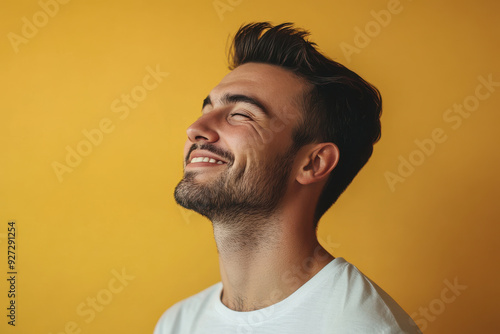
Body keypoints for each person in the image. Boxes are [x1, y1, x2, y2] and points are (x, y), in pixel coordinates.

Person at [154, 22, 421, 333]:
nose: (195, 128)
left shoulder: (360, 326)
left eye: (241, 114)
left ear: (313, 163)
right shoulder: (178, 323)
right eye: (207, 108)